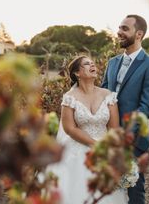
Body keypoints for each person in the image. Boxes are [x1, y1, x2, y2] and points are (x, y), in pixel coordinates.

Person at [47, 55, 127, 204]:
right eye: (87, 64)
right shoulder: (70, 97)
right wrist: (95, 145)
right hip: (77, 151)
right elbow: (70, 128)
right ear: (77, 73)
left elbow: (113, 128)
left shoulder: (108, 95)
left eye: (93, 63)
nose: (93, 65)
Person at [102, 14, 149, 204]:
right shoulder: (112, 63)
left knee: (135, 191)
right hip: (107, 136)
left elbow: (147, 107)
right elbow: (103, 95)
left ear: (139, 34)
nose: (119, 32)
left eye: (124, 29)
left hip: (134, 140)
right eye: (119, 27)